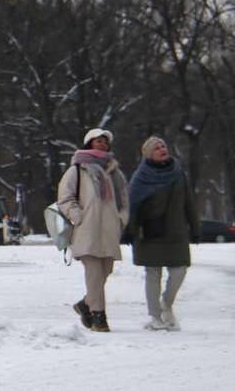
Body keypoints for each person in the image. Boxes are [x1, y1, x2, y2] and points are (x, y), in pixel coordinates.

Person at [122, 136, 200, 331]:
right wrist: (129, 231)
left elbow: (189, 202)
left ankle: (167, 302)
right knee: (152, 273)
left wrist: (195, 226)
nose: (162, 149)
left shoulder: (178, 173)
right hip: (149, 233)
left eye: (163, 145)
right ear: (148, 154)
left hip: (176, 231)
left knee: (180, 270)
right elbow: (132, 206)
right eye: (156, 148)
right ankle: (155, 316)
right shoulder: (140, 177)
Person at [57, 128, 128, 332]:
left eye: (105, 141)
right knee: (94, 274)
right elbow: (65, 197)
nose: (103, 144)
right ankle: (99, 317)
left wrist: (121, 219)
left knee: (105, 271)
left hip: (109, 231)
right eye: (98, 141)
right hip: (86, 230)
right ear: (89, 143)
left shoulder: (114, 172)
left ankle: (85, 304)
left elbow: (124, 199)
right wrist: (76, 215)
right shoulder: (77, 170)